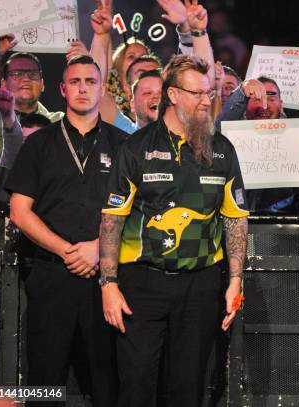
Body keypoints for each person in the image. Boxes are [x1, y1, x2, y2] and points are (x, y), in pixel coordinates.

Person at [99, 55, 248, 407]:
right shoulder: (136, 147)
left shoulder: (221, 149)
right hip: (142, 282)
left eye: (209, 93)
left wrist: (235, 281)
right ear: (173, 95)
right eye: (197, 93)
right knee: (136, 383)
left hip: (201, 284)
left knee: (188, 387)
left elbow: (235, 218)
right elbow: (112, 218)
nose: (206, 101)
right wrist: (108, 284)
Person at [4, 55, 126, 406]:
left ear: (102, 88)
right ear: (62, 89)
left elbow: (137, 213)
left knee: (107, 384)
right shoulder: (38, 144)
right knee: (44, 382)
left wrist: (96, 249)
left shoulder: (123, 146)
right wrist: (67, 251)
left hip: (107, 281)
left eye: (90, 81)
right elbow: (19, 212)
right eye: (75, 82)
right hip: (50, 276)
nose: (83, 88)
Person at [216, 75, 299, 212]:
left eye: (271, 98)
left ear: (281, 104)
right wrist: (241, 91)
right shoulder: (231, 136)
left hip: (279, 227)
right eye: (257, 99)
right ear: (245, 103)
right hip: (236, 220)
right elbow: (219, 128)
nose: (264, 105)